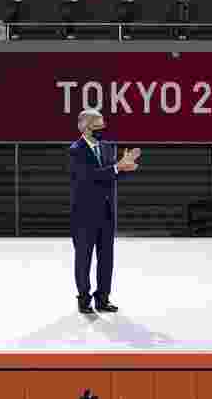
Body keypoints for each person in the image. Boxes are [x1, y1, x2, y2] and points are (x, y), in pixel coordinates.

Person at [69, 108, 141, 315]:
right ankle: (84, 300)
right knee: (84, 258)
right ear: (85, 127)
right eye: (97, 125)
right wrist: (118, 167)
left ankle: (103, 299)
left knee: (106, 258)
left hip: (107, 213)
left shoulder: (109, 147)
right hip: (84, 216)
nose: (102, 129)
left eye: (103, 125)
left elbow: (111, 176)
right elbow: (89, 177)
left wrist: (125, 168)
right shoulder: (76, 150)